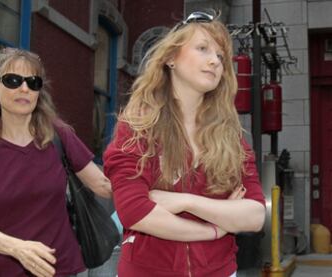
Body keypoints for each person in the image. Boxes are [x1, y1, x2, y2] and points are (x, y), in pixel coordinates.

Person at [103, 11, 266, 277]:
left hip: (220, 272)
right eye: (203, 49)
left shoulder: (229, 136)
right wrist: (216, 228)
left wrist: (186, 202)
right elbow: (135, 212)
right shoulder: (137, 128)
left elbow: (255, 215)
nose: (214, 61)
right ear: (170, 58)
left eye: (221, 57)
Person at [0, 48, 112, 277]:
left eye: (33, 82)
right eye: (12, 80)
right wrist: (18, 248)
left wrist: (157, 191)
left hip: (61, 269)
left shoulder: (58, 136)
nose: (24, 88)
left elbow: (103, 184)